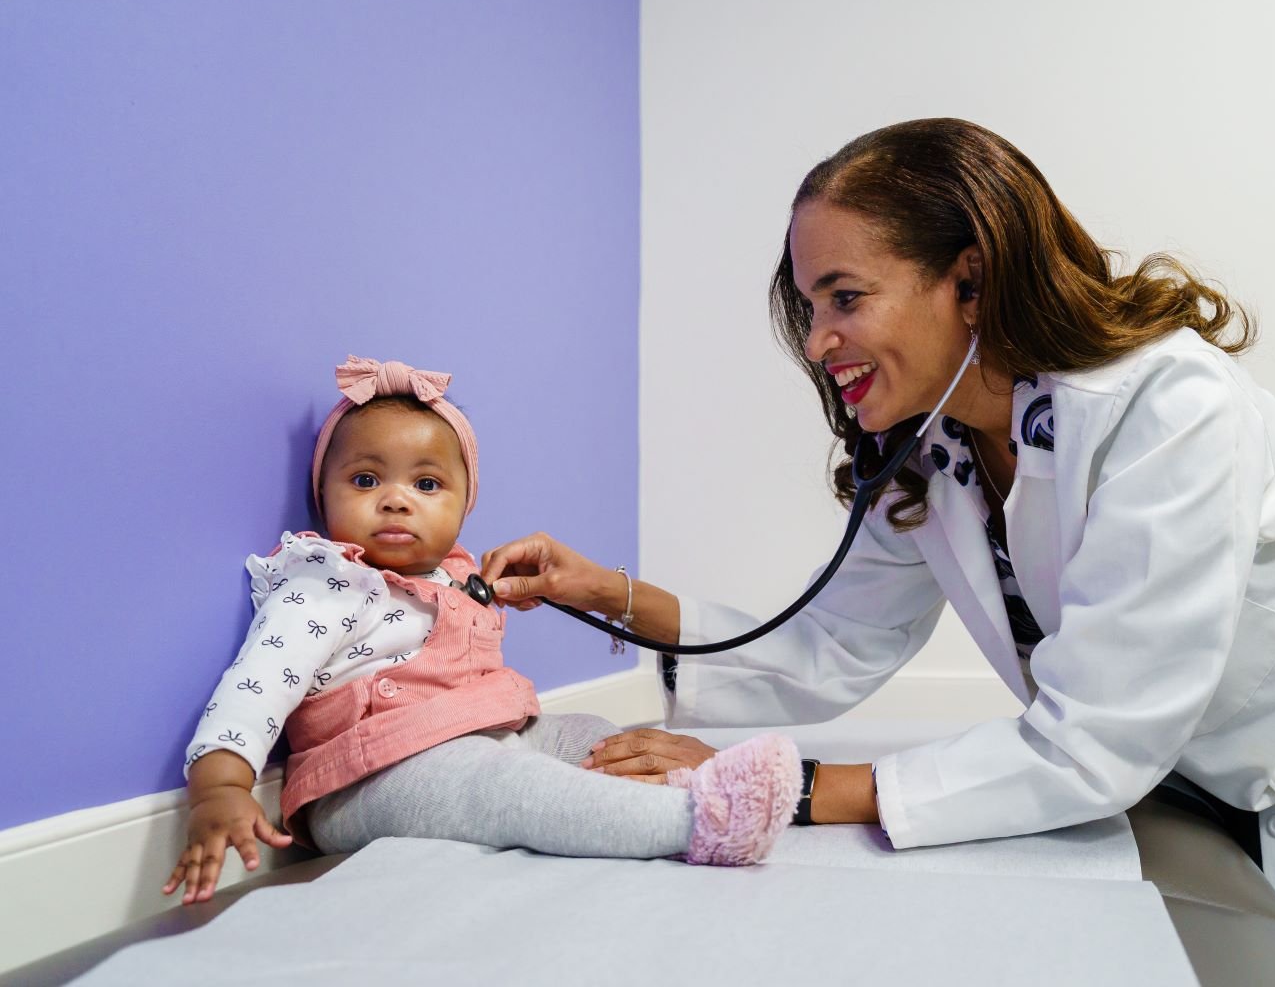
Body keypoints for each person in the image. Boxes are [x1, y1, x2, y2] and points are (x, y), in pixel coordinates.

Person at [481, 119, 1275, 986]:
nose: (817, 339)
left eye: (845, 296)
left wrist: (796, 790)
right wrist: (599, 592)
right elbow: (829, 644)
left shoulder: (1166, 407)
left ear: (968, 281)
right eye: (809, 306)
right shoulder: (938, 448)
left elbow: (1096, 737)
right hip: (1209, 760)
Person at [162, 356, 802, 906]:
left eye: (427, 483)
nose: (395, 499)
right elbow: (254, 688)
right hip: (372, 780)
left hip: (481, 740)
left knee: (585, 735)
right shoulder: (324, 584)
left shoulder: (455, 578)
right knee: (511, 791)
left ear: (465, 503)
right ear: (321, 494)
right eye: (365, 480)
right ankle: (695, 823)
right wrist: (219, 789)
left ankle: (690, 779)